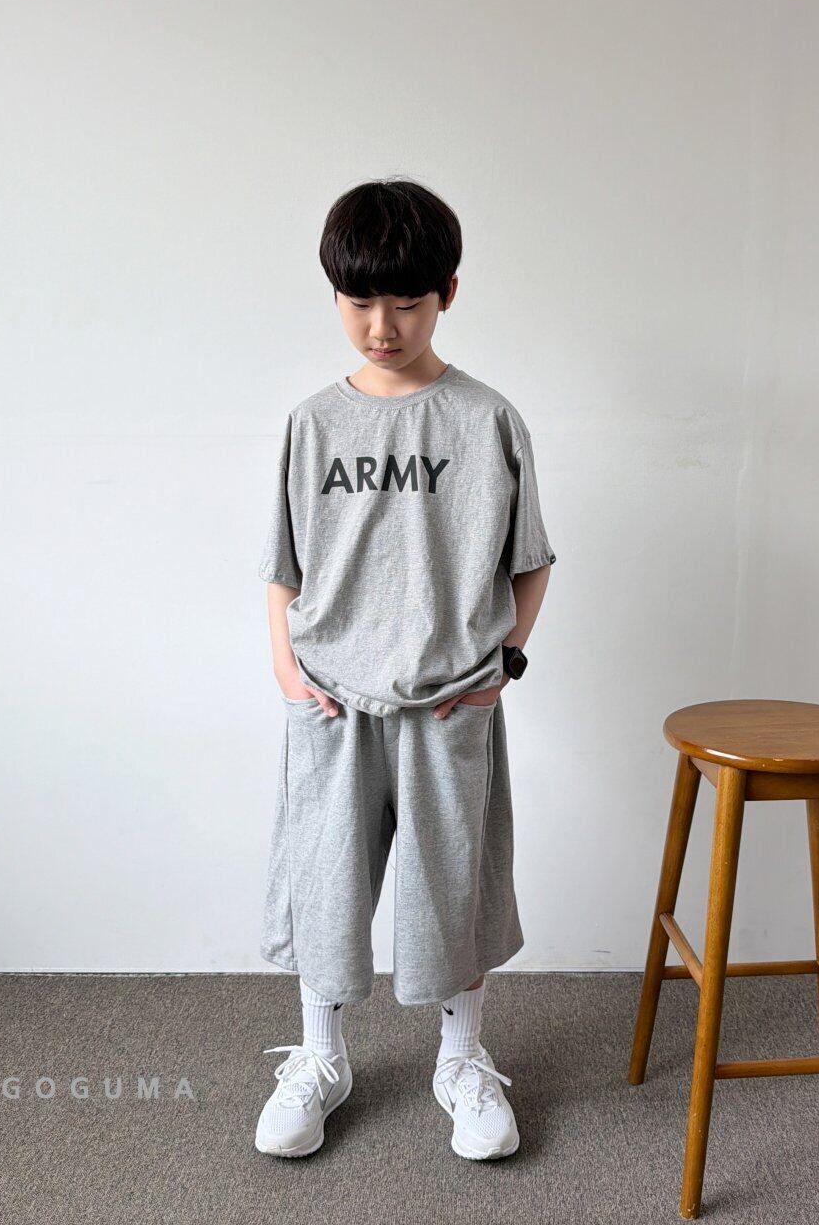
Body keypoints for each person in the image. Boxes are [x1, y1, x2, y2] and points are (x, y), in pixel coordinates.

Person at [253, 177, 556, 1161]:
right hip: (331, 700)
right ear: (335, 296)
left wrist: (504, 661)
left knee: (452, 886)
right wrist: (286, 670)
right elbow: (282, 567)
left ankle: (461, 1061)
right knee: (324, 888)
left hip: (446, 701)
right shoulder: (311, 423)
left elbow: (531, 560)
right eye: (360, 303)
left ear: (447, 295)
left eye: (407, 303)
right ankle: (320, 1057)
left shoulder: (486, 418)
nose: (381, 327)